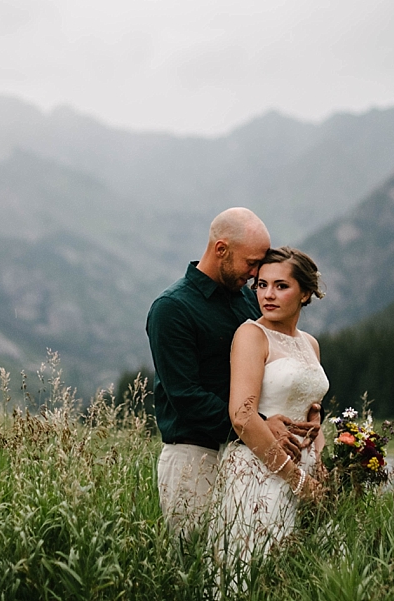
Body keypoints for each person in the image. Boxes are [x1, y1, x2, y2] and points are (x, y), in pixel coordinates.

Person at [146, 208, 320, 539]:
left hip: (253, 458)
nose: (257, 275)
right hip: (195, 457)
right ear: (221, 249)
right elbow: (185, 397)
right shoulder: (172, 308)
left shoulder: (250, 300)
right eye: (252, 263)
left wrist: (305, 409)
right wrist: (259, 424)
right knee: (195, 562)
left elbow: (277, 364)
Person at [213, 246, 328, 579]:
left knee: (306, 574)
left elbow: (312, 414)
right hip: (260, 468)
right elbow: (241, 416)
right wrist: (297, 480)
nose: (268, 294)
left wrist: (322, 462)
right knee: (257, 571)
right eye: (261, 285)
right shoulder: (251, 335)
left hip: (307, 471)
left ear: (305, 292)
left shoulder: (311, 343)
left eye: (281, 286)